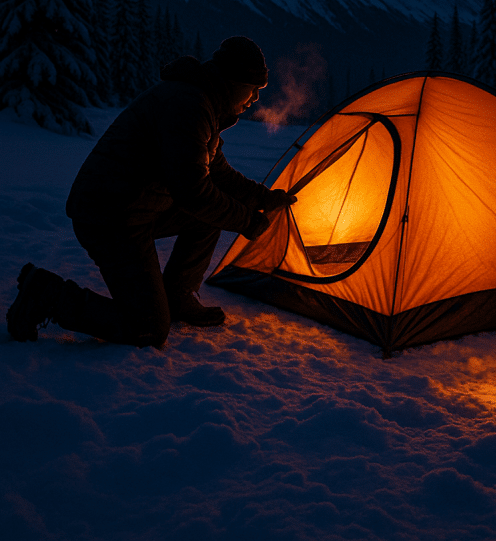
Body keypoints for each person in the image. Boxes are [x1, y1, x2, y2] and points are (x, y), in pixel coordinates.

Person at [6, 36, 296, 348]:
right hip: (108, 216)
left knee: (210, 215)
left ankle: (178, 296)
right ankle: (47, 294)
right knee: (147, 327)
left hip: (134, 208)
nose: (255, 98)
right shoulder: (189, 106)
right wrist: (247, 221)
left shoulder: (202, 104)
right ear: (232, 80)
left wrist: (265, 199)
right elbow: (194, 192)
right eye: (253, 87)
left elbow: (219, 174)